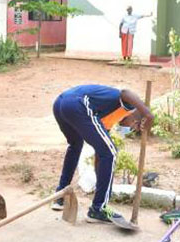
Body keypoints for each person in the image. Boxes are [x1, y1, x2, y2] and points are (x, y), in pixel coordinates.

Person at [51, 84, 154, 223]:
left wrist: (101, 181)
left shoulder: (107, 119)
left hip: (61, 103)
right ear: (136, 119)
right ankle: (98, 209)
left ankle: (59, 197)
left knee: (76, 145)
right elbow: (125, 91)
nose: (130, 128)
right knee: (111, 152)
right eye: (134, 127)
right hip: (77, 103)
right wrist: (148, 114)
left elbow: (100, 154)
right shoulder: (128, 107)